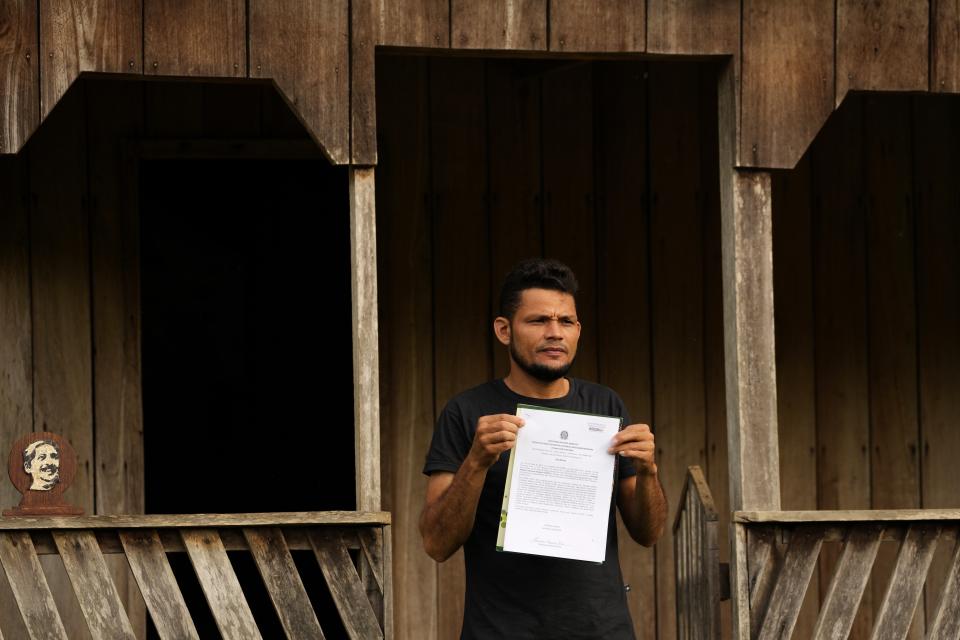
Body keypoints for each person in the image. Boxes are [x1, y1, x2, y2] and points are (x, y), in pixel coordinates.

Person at [420, 258, 668, 639]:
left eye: (566, 321)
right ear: (504, 330)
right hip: (499, 631)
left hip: (601, 629)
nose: (555, 333)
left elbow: (648, 533)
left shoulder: (606, 407)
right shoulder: (467, 412)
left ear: (578, 329)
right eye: (538, 321)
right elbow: (436, 543)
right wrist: (476, 462)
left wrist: (649, 470)